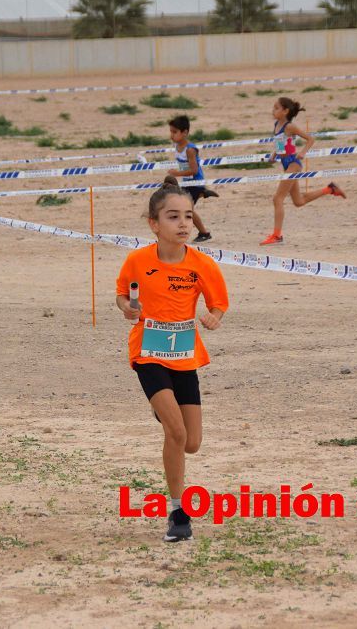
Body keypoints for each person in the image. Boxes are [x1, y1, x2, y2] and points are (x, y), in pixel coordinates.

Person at [116, 180, 229, 542]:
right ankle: (178, 512)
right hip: (148, 352)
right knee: (175, 432)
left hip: (184, 355)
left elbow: (218, 304)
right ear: (154, 224)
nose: (183, 224)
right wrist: (129, 309)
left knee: (191, 442)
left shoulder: (202, 264)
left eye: (187, 217)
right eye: (173, 217)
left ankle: (162, 410)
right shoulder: (137, 260)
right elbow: (122, 296)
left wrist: (214, 317)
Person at [260, 97, 346, 246]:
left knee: (277, 198)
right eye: (273, 107)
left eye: (276, 108)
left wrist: (303, 152)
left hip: (294, 164)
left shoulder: (289, 126)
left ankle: (277, 235)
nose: (273, 111)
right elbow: (281, 143)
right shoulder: (276, 124)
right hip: (285, 164)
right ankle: (330, 189)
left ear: (285, 111)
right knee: (298, 201)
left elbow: (310, 139)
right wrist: (275, 154)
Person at [164, 114, 218, 243]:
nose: (172, 135)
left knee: (186, 209)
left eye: (175, 132)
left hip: (195, 182)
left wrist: (176, 174)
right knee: (185, 208)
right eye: (171, 131)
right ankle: (202, 193)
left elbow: (194, 170)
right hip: (188, 183)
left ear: (185, 133)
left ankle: (204, 233)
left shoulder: (190, 150)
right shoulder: (177, 146)